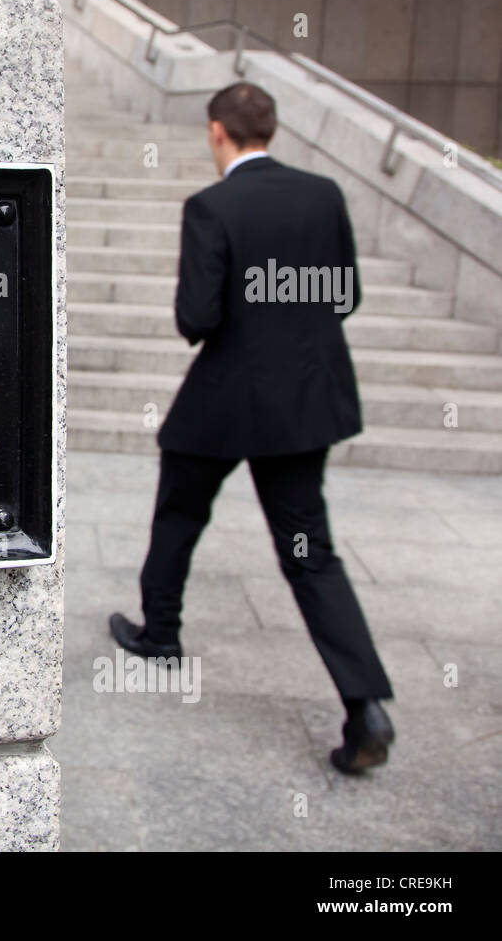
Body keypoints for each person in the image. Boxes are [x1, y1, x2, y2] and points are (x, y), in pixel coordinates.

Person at [108, 81, 395, 774]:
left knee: (180, 508)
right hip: (304, 404)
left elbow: (196, 319)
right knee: (309, 552)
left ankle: (161, 634)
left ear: (217, 132)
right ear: (269, 130)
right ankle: (365, 706)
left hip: (229, 399)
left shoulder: (212, 206)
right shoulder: (322, 195)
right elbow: (345, 295)